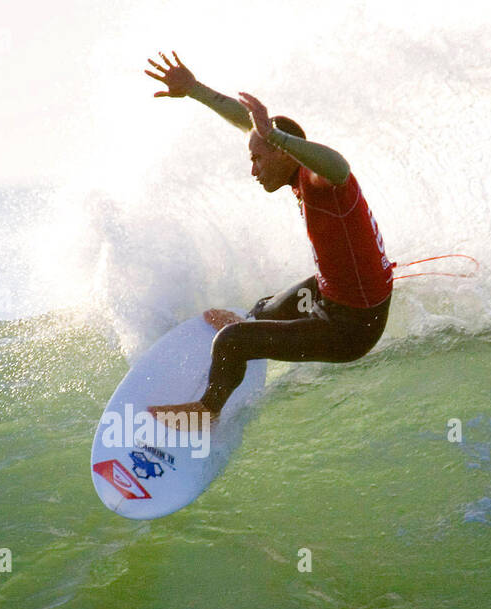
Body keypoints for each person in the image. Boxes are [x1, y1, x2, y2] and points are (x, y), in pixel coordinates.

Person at [143, 51, 394, 428]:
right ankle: (252, 328)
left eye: (258, 159)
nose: (253, 169)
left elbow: (340, 167)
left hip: (352, 328)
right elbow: (248, 124)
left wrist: (272, 133)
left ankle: (206, 412)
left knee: (232, 341)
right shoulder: (296, 174)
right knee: (262, 308)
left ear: (282, 152)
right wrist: (194, 89)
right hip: (336, 294)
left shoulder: (319, 181)